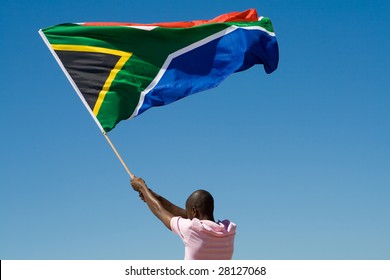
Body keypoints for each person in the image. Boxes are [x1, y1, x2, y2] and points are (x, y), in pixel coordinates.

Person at [131, 176, 236, 260]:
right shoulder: (229, 230)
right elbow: (173, 209)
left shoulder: (192, 229)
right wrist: (150, 194)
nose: (188, 218)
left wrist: (142, 187)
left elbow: (160, 211)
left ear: (194, 211)